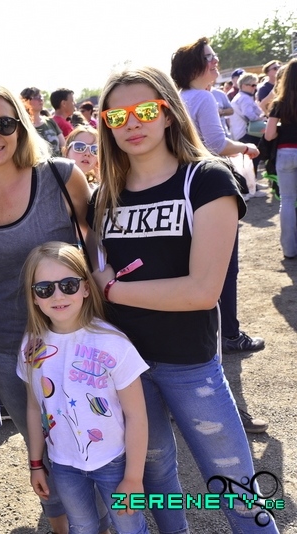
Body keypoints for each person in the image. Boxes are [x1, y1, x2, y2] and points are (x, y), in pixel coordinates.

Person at [92, 65, 279, 534]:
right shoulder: (103, 197)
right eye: (116, 116)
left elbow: (201, 292)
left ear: (169, 113)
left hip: (189, 364)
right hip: (125, 365)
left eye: (144, 110)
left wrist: (114, 290)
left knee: (236, 490)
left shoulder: (207, 179)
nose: (131, 123)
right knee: (156, 476)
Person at [0, 82, 104, 534]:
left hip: (76, 340)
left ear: (21, 126)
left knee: (95, 437)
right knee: (40, 445)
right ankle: (60, 522)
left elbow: (96, 247)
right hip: (8, 347)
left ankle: (105, 520)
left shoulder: (61, 176)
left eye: (4, 123)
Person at [18, 242, 149, 534]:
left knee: (130, 528)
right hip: (63, 464)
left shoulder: (114, 343)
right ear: (34, 297)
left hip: (115, 461)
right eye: (45, 289)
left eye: (68, 285)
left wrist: (134, 478)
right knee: (82, 527)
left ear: (86, 288)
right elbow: (34, 408)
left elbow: (137, 415)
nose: (58, 295)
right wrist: (36, 463)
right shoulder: (31, 347)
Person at [171, 38, 268, 376]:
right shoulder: (202, 97)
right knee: (226, 266)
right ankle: (230, 334)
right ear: (194, 66)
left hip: (184, 188)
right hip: (209, 187)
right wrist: (245, 148)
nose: (216, 61)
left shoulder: (180, 98)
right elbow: (215, 143)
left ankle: (212, 332)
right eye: (209, 57)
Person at [264, 58, 297, 260]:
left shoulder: (279, 103)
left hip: (285, 153)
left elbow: (269, 135)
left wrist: (280, 131)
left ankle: (289, 249)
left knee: (287, 200)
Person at [21, 87, 65, 157]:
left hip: (57, 163)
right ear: (25, 101)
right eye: (36, 97)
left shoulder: (50, 121)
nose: (41, 99)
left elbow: (63, 146)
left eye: (41, 96)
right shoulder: (23, 126)